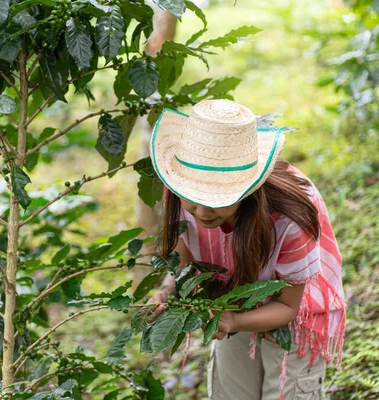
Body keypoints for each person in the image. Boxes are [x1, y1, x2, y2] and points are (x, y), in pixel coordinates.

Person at [146, 100, 346, 400]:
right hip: (229, 297)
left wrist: (235, 321)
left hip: (295, 308)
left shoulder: (289, 220)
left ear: (249, 190)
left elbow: (289, 305)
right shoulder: (180, 187)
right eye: (193, 198)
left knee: (286, 390)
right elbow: (185, 263)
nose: (201, 212)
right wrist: (167, 290)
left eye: (217, 199)